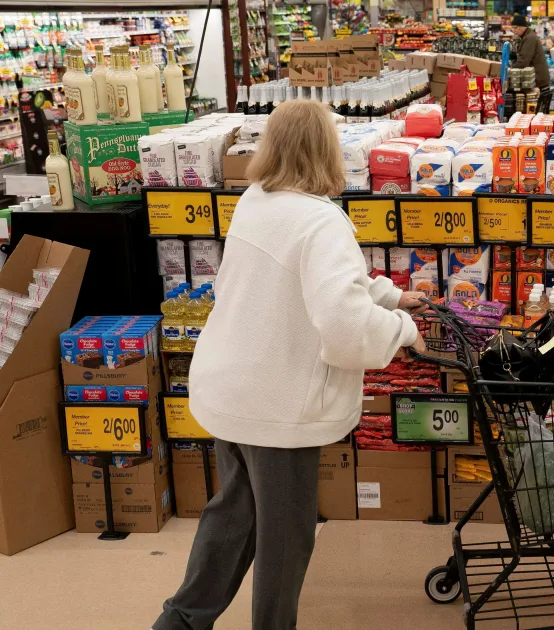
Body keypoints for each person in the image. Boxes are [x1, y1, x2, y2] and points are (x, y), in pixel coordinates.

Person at [152, 99, 428, 630]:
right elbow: (344, 323)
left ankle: (181, 621)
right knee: (285, 535)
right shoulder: (322, 222)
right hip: (276, 406)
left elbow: (306, 280)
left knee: (234, 516)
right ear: (326, 151)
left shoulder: (258, 199)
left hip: (231, 385)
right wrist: (404, 332)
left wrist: (388, 298)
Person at [511, 13, 550, 89]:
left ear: (521, 27)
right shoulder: (527, 36)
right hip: (536, 78)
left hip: (538, 80)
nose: (514, 31)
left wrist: (510, 69)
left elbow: (523, 61)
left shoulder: (529, 38)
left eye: (515, 28)